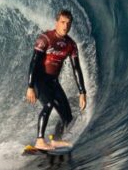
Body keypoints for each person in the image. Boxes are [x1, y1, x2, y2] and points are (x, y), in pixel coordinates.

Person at [25, 9, 87, 150]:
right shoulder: (45, 38)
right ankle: (40, 140)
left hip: (53, 82)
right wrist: (30, 86)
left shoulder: (71, 45)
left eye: (68, 23)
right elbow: (34, 62)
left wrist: (82, 92)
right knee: (48, 105)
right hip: (39, 80)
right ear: (57, 22)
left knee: (67, 117)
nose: (65, 26)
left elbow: (76, 68)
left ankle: (56, 140)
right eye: (63, 22)